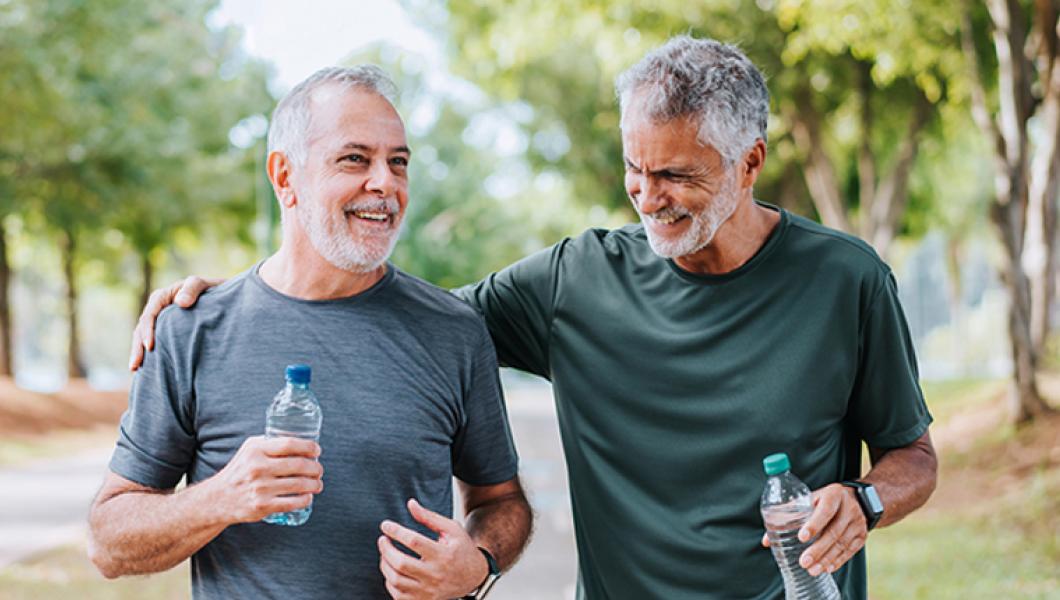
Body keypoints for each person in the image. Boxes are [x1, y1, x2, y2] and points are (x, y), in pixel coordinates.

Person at [129, 38, 937, 599]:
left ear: (750, 161)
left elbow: (914, 457)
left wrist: (863, 503)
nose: (647, 196)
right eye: (632, 168)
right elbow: (393, 309)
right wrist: (238, 296)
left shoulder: (847, 280)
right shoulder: (574, 280)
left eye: (675, 176)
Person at [92, 66, 531, 600]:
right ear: (284, 176)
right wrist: (221, 498)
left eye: (398, 162)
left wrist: (479, 564)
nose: (385, 183)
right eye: (355, 159)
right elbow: (109, 544)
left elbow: (502, 501)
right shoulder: (191, 331)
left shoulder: (453, 332)